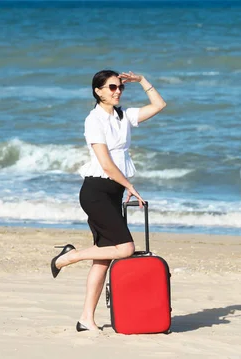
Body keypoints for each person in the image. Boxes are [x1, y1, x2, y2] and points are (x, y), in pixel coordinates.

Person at [50, 70, 166, 332]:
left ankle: (85, 319)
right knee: (124, 248)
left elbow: (159, 105)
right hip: (96, 192)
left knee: (102, 259)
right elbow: (106, 163)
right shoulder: (94, 120)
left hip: (112, 192)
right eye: (112, 87)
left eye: (120, 88)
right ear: (98, 91)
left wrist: (142, 80)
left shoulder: (123, 116)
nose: (117, 91)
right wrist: (130, 187)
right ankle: (68, 256)